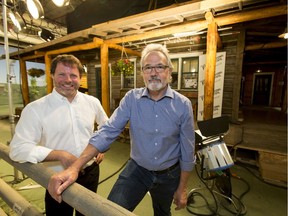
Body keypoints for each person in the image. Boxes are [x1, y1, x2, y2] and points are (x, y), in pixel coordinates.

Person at [48, 44, 196, 216]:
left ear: (169, 71)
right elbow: (108, 131)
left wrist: (182, 188)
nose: (153, 72)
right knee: (110, 212)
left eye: (159, 67)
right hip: (137, 170)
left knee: (162, 212)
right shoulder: (132, 99)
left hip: (169, 174)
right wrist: (75, 167)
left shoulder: (183, 104)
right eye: (148, 67)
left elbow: (187, 150)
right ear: (142, 73)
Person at [9, 54, 108, 216]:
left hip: (90, 171)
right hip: (58, 176)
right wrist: (60, 155)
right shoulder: (36, 109)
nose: (68, 80)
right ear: (52, 75)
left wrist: (100, 147)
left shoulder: (92, 102)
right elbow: (17, 149)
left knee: (88, 212)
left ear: (80, 78)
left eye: (73, 75)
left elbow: (106, 128)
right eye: (62, 74)